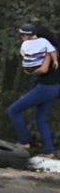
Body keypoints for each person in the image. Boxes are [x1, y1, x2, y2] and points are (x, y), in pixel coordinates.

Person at [8, 23, 59, 158]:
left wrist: (29, 72)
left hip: (46, 88)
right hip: (53, 88)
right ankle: (49, 151)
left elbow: (42, 70)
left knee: (13, 110)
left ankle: (24, 142)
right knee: (41, 118)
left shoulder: (48, 52)